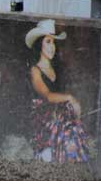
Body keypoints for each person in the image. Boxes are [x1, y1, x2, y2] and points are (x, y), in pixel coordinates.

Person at [25, 19, 90, 163]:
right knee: (64, 130)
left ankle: (72, 168)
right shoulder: (35, 70)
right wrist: (69, 98)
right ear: (39, 44)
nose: (52, 46)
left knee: (72, 130)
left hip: (59, 115)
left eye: (53, 42)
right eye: (48, 42)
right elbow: (47, 96)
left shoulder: (57, 69)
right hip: (44, 120)